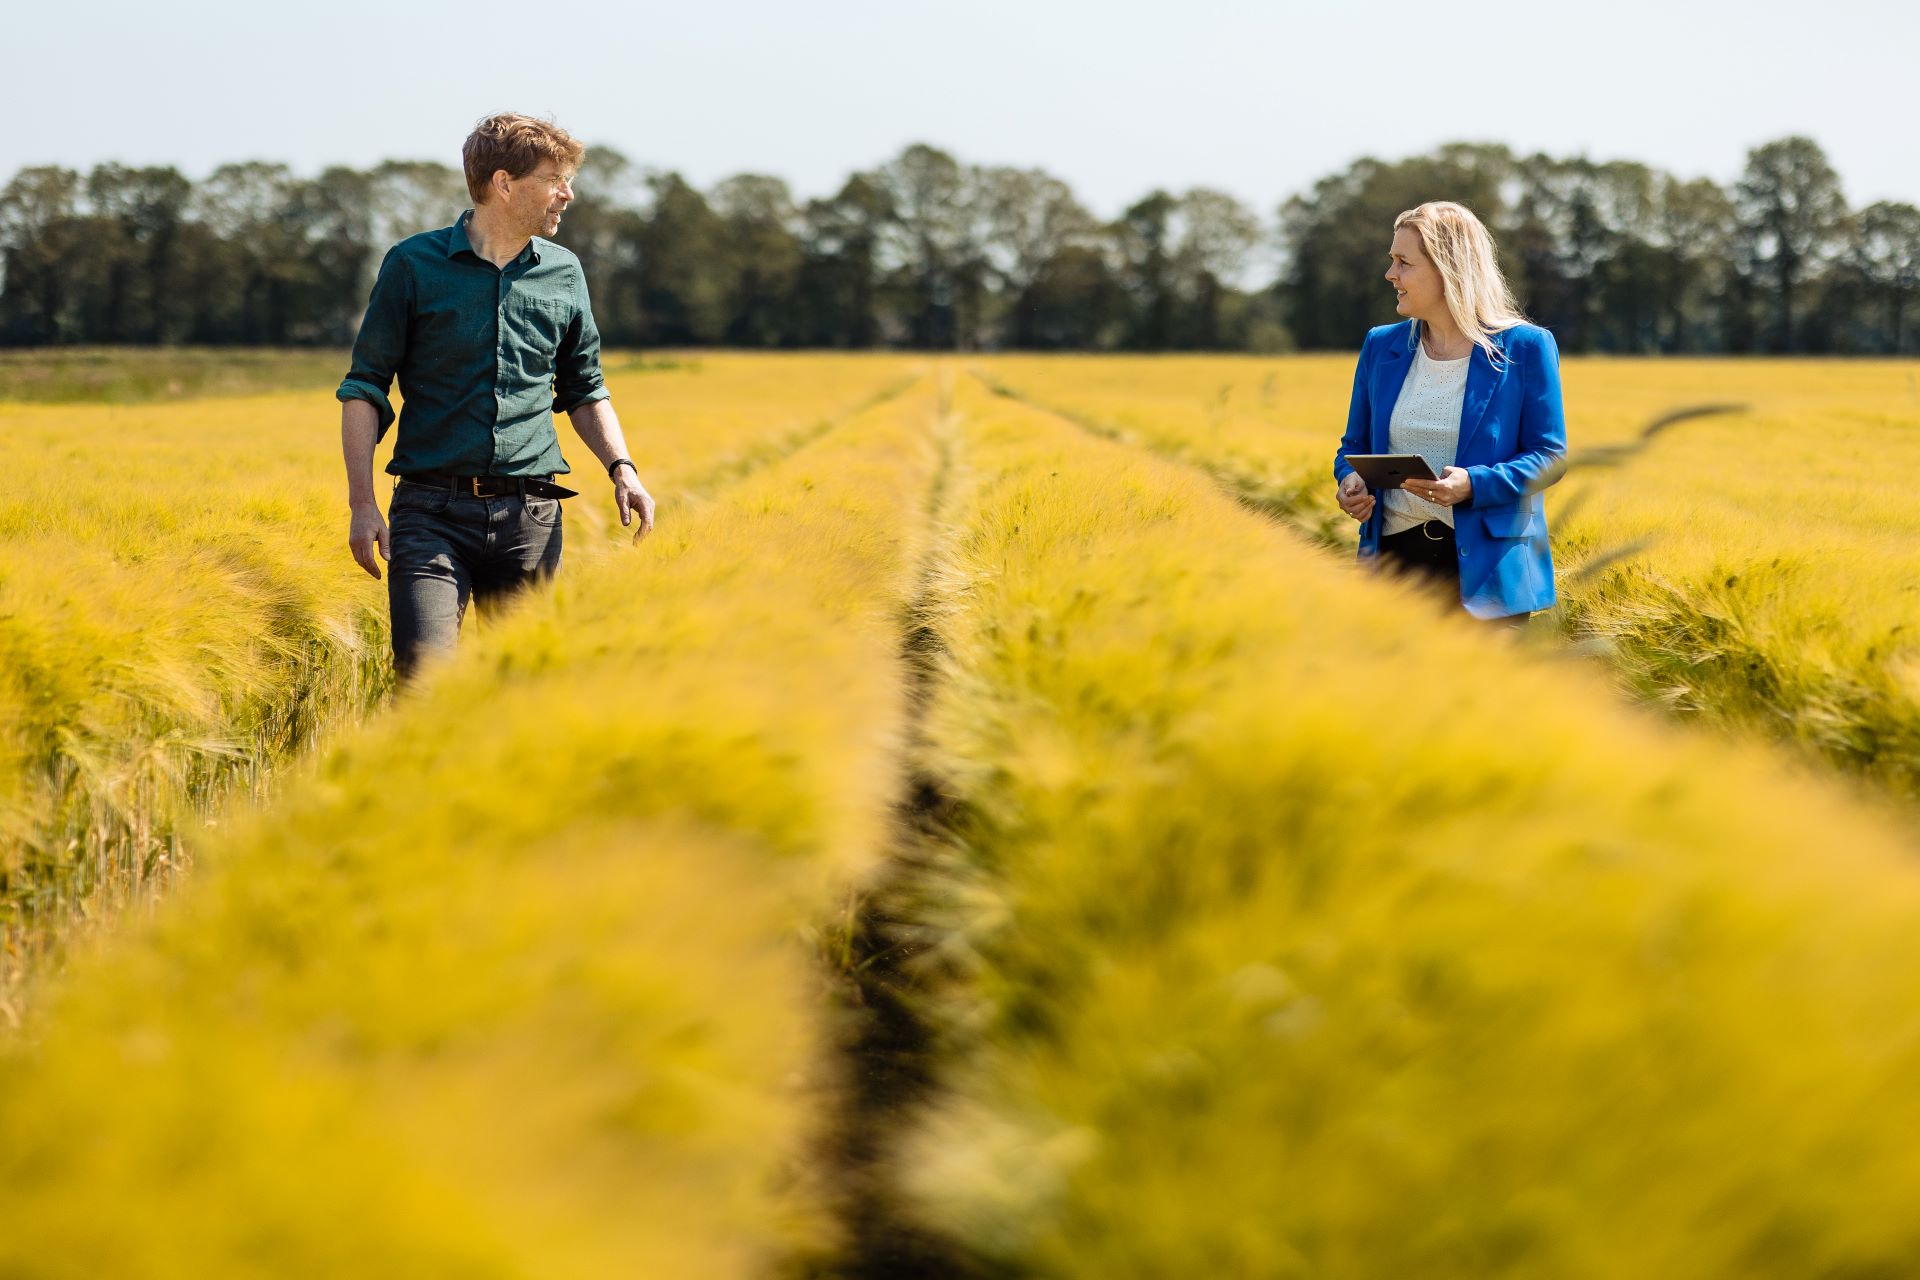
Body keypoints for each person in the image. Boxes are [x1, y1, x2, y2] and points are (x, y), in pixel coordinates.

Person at [337, 112, 656, 682]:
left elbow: (584, 388)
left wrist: (622, 468)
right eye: (555, 179)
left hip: (530, 519)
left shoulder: (564, 273)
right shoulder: (412, 265)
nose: (568, 193)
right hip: (431, 516)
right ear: (504, 183)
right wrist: (363, 504)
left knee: (518, 697)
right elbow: (364, 387)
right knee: (424, 685)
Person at [1332, 201, 1566, 626]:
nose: (1391, 275)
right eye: (1392, 261)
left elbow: (1549, 456)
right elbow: (1353, 446)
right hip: (1392, 569)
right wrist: (1349, 479)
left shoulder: (1526, 347)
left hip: (1490, 578)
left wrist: (1474, 484)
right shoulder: (1379, 346)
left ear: (1448, 269)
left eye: (1403, 262)